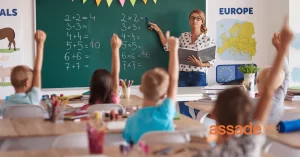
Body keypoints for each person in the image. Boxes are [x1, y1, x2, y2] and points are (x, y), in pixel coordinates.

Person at [193, 17, 294, 157]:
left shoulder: (208, 154)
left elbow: (267, 93)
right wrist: (281, 50)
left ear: (214, 114)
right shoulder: (250, 145)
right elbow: (271, 90)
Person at [149, 9, 215, 118]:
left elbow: (212, 61)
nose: (195, 21)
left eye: (198, 18)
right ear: (189, 20)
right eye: (192, 18)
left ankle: (197, 126)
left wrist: (200, 64)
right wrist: (159, 31)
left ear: (202, 21)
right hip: (183, 74)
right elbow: (168, 47)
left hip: (198, 75)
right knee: (182, 105)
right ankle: (187, 125)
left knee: (200, 106)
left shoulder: (207, 40)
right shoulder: (184, 36)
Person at [122, 31, 179, 144]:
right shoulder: (166, 113)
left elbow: (127, 145)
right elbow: (173, 79)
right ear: (163, 95)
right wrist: (173, 50)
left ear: (140, 89)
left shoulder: (131, 121)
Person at [1, 30, 46, 115]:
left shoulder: (4, 106)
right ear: (27, 82)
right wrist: (40, 44)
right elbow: (37, 71)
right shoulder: (33, 99)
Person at [254, 32, 290, 125]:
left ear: (258, 82)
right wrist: (279, 49)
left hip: (255, 134)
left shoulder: (253, 104)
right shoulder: (280, 97)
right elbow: (286, 75)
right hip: (273, 134)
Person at [80, 34, 121, 110]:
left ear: (92, 87)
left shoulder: (86, 109)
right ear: (110, 86)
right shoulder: (114, 101)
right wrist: (115, 49)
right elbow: (115, 74)